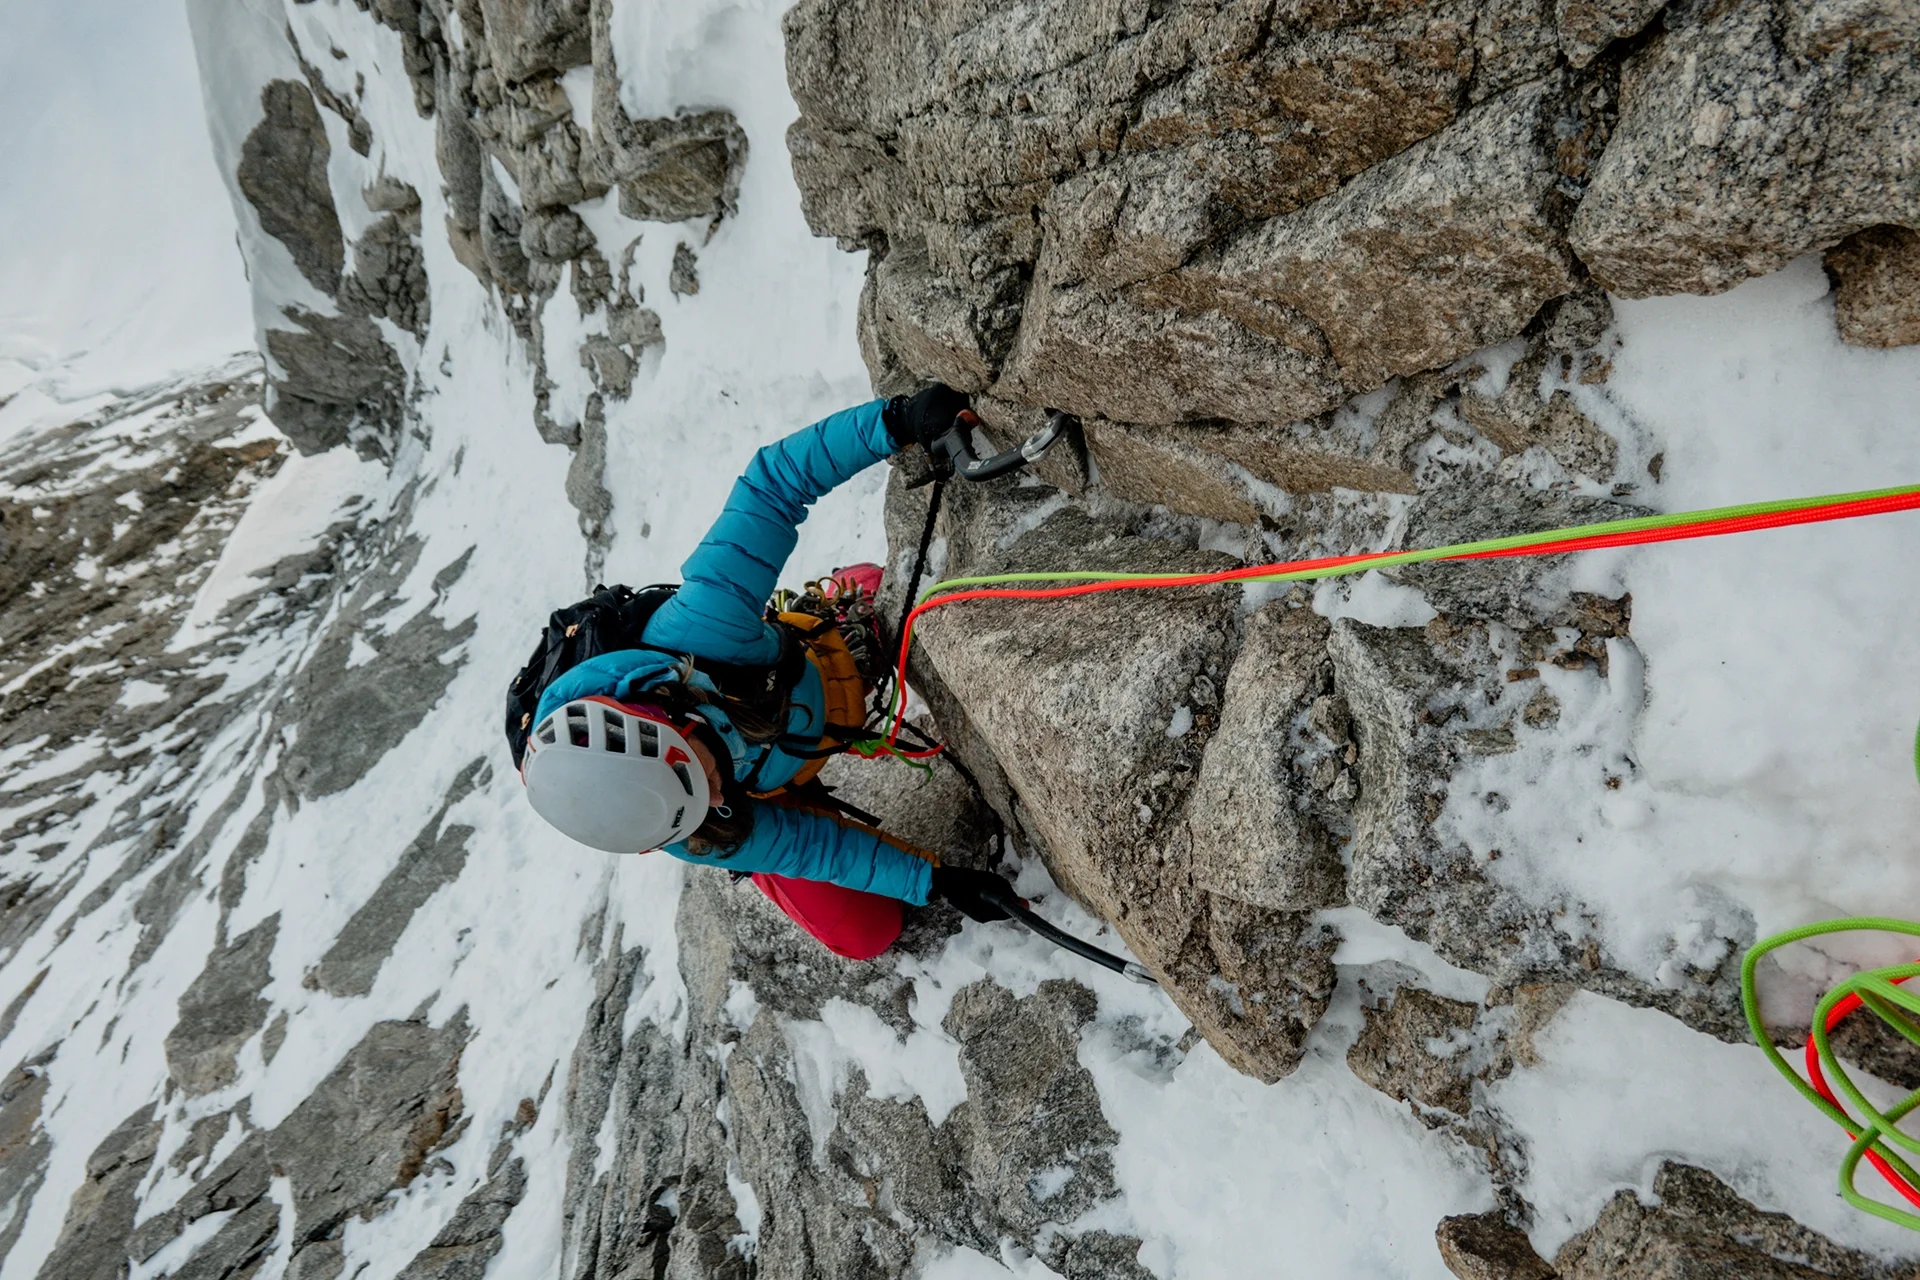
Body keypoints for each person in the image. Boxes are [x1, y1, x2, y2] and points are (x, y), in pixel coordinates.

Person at [517, 385, 1018, 960]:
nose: (715, 789)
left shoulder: (702, 626)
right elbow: (810, 848)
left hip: (796, 682)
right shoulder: (677, 820)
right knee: (866, 934)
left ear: (659, 712)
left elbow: (773, 484)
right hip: (780, 766)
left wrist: (899, 420)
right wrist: (937, 883)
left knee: (886, 598)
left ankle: (839, 611)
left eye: (698, 768)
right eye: (703, 798)